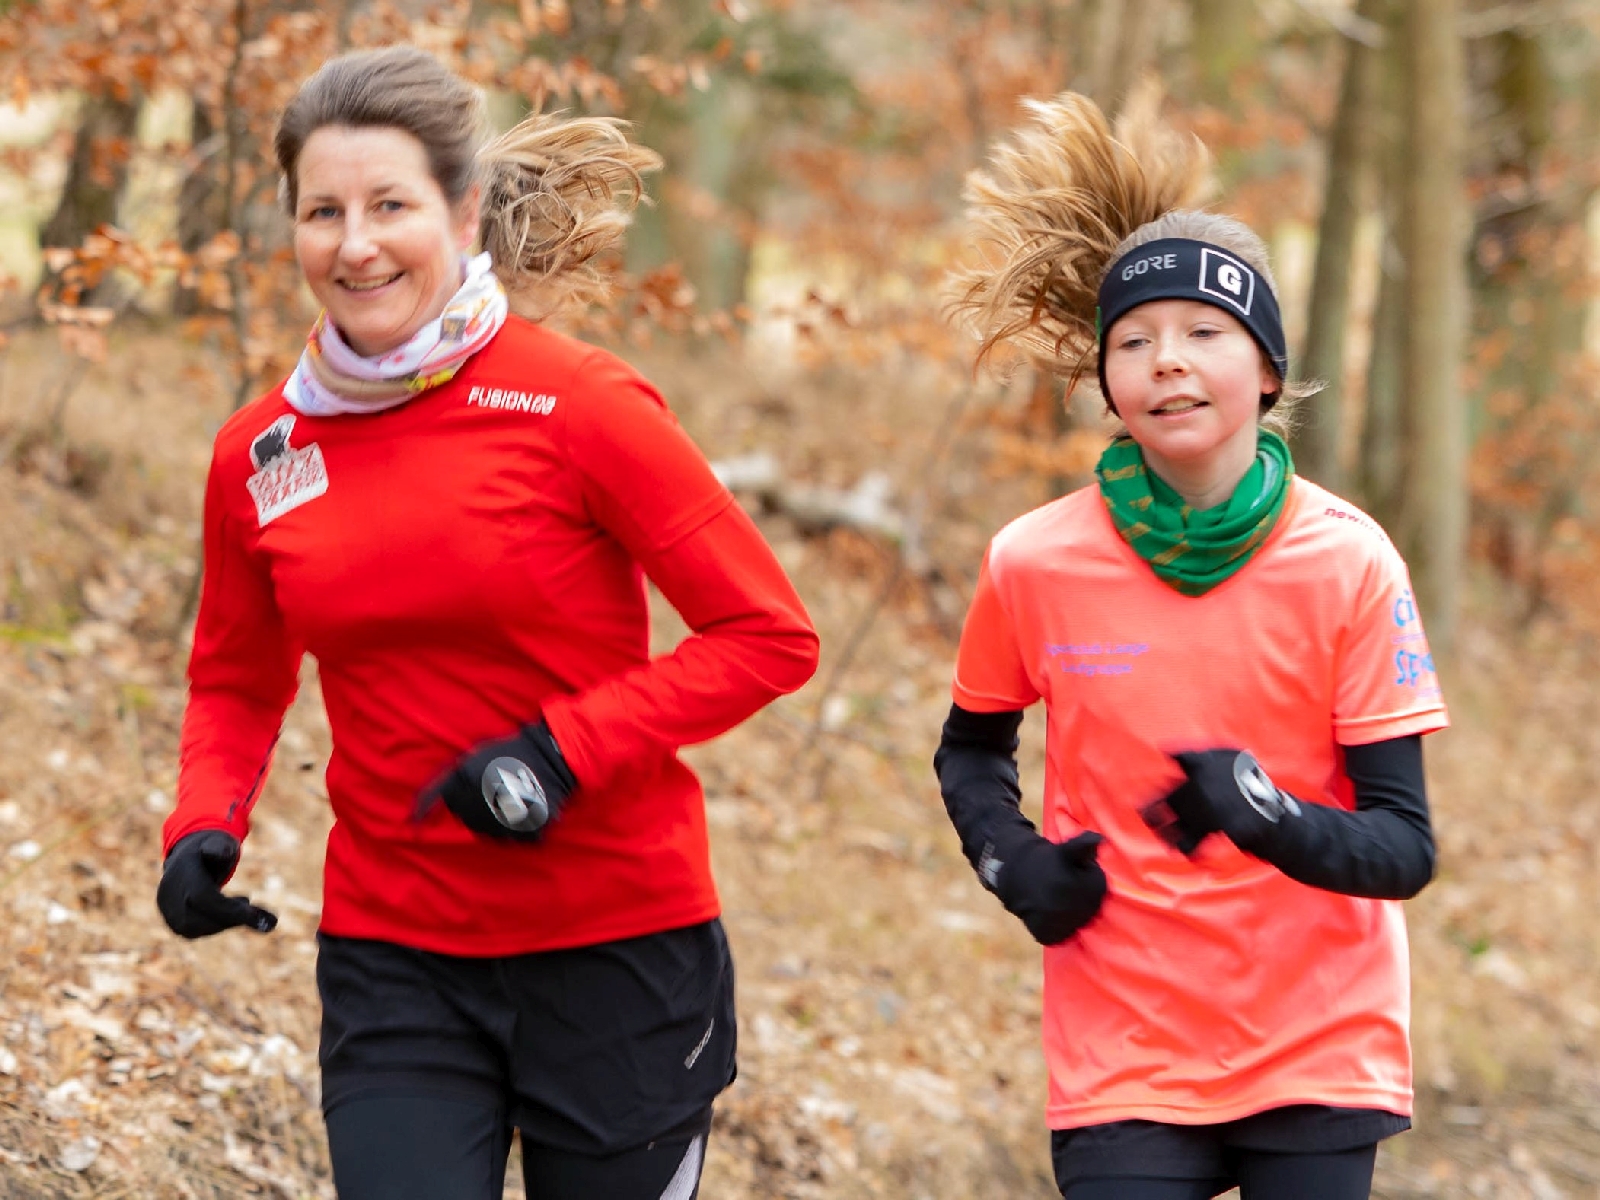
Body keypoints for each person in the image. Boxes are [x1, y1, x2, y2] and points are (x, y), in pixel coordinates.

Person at [156, 44, 819, 1200]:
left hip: (616, 951)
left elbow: (766, 635)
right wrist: (202, 823)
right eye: (323, 211)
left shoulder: (578, 404)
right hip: (393, 955)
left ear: (463, 212)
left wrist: (560, 752)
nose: (354, 244)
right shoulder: (261, 451)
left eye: (390, 205)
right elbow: (235, 679)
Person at [934, 90, 1448, 1200]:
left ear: (1266, 370)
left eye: (1204, 335)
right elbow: (970, 752)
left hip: (1316, 1036)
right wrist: (1009, 861)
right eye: (1136, 341)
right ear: (1106, 385)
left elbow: (1404, 848)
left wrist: (1264, 815)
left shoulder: (1349, 560)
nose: (1168, 361)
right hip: (1124, 1038)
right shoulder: (1033, 561)